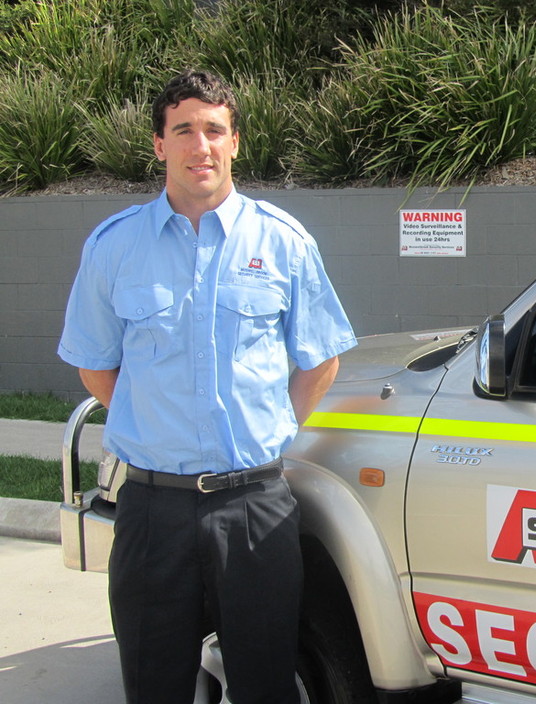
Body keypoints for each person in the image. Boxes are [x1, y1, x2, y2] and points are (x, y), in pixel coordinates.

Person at [58, 69, 357, 704]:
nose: (202, 145)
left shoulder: (283, 243)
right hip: (151, 511)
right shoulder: (114, 248)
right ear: (160, 145)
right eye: (184, 129)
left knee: (265, 684)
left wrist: (269, 426)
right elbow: (95, 365)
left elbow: (319, 359)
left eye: (215, 130)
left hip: (252, 508)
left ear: (236, 142)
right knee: (153, 683)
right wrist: (153, 422)